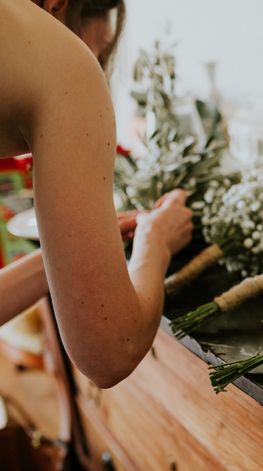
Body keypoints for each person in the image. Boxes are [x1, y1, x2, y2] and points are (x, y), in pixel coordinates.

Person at [0, 0, 194, 387]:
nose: (96, 61)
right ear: (57, 5)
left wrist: (57, 260)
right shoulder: (61, 61)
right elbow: (109, 350)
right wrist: (155, 243)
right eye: (99, 47)